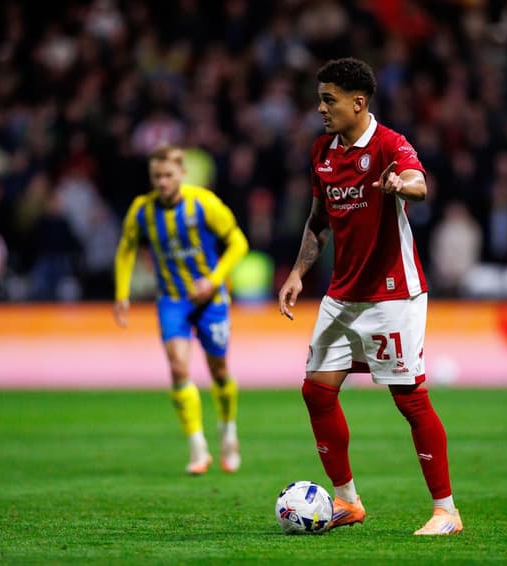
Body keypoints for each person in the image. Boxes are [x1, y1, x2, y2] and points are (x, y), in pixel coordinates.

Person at [277, 58, 463, 536]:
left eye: (329, 99)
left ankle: (446, 511)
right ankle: (347, 501)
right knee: (316, 390)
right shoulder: (322, 151)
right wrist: (298, 272)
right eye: (320, 99)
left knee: (409, 398)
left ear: (358, 102)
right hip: (342, 295)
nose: (320, 108)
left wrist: (404, 186)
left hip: (392, 295)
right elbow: (318, 221)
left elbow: (418, 183)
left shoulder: (389, 145)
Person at [114, 145, 249, 475]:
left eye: (168, 175)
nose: (162, 182)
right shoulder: (142, 210)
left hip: (210, 298)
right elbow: (126, 249)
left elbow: (238, 242)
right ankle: (197, 446)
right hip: (172, 299)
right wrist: (122, 294)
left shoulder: (203, 203)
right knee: (178, 369)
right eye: (156, 176)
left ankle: (228, 431)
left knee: (218, 370)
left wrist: (213, 279)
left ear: (182, 174)